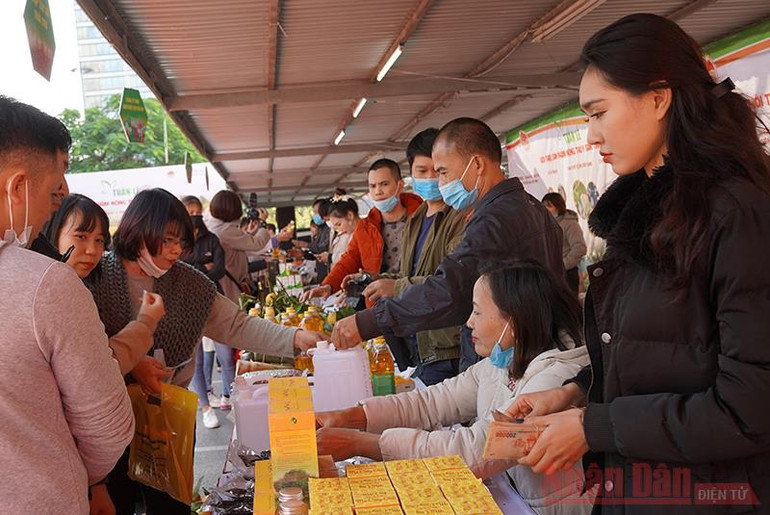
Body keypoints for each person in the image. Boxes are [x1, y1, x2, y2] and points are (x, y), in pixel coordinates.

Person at [506, 14, 770, 513]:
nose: (591, 136)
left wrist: (593, 427)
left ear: (658, 98)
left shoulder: (735, 215)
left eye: (599, 113)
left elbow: (750, 406)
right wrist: (576, 394)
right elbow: (662, 359)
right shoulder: (645, 215)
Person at [86, 188, 322, 514]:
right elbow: (83, 351)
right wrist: (132, 363)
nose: (176, 250)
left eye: (181, 242)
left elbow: (236, 325)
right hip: (109, 422)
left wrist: (295, 337)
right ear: (139, 231)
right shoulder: (95, 277)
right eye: (167, 240)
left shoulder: (190, 284)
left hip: (169, 419)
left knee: (171, 506)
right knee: (117, 504)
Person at [316, 262, 591, 514]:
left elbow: (475, 451)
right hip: (510, 496)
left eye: (478, 312)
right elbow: (433, 402)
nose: (469, 322)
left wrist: (361, 443)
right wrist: (351, 416)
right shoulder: (502, 360)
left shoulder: (557, 377)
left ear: (514, 321)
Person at [331, 118, 564, 368]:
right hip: (532, 348)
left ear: (476, 164)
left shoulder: (493, 219)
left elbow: (451, 290)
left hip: (508, 355)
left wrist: (370, 321)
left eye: (443, 172)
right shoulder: (531, 206)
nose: (441, 183)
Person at [0, 96, 134, 514]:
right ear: (17, 188)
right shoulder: (45, 284)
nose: (47, 211)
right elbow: (108, 427)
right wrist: (80, 476)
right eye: (51, 193)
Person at [356, 128, 470, 384]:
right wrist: (376, 280)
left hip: (449, 347)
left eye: (437, 170)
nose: (431, 178)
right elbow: (409, 274)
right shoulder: (416, 218)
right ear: (411, 174)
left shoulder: (459, 216)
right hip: (420, 342)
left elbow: (451, 283)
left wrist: (396, 287)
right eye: (422, 171)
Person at [303, 159, 422, 304]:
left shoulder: (422, 218)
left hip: (415, 301)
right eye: (372, 186)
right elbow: (350, 259)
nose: (378, 191)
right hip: (378, 304)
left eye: (384, 184)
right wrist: (329, 285)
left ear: (400, 185)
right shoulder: (366, 227)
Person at [180, 195, 228, 429]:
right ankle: (205, 406)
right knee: (196, 358)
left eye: (197, 211)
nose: (194, 216)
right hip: (187, 304)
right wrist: (202, 267)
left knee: (225, 353)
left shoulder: (211, 239)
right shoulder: (179, 241)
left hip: (213, 299)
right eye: (189, 212)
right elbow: (179, 270)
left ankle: (227, 394)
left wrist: (196, 270)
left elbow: (219, 269)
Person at [542, 192, 587, 294]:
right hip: (552, 274)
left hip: (567, 274)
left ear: (558, 206)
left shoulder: (569, 223)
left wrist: (562, 265)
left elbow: (580, 248)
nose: (545, 209)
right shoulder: (546, 224)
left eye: (549, 206)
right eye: (543, 206)